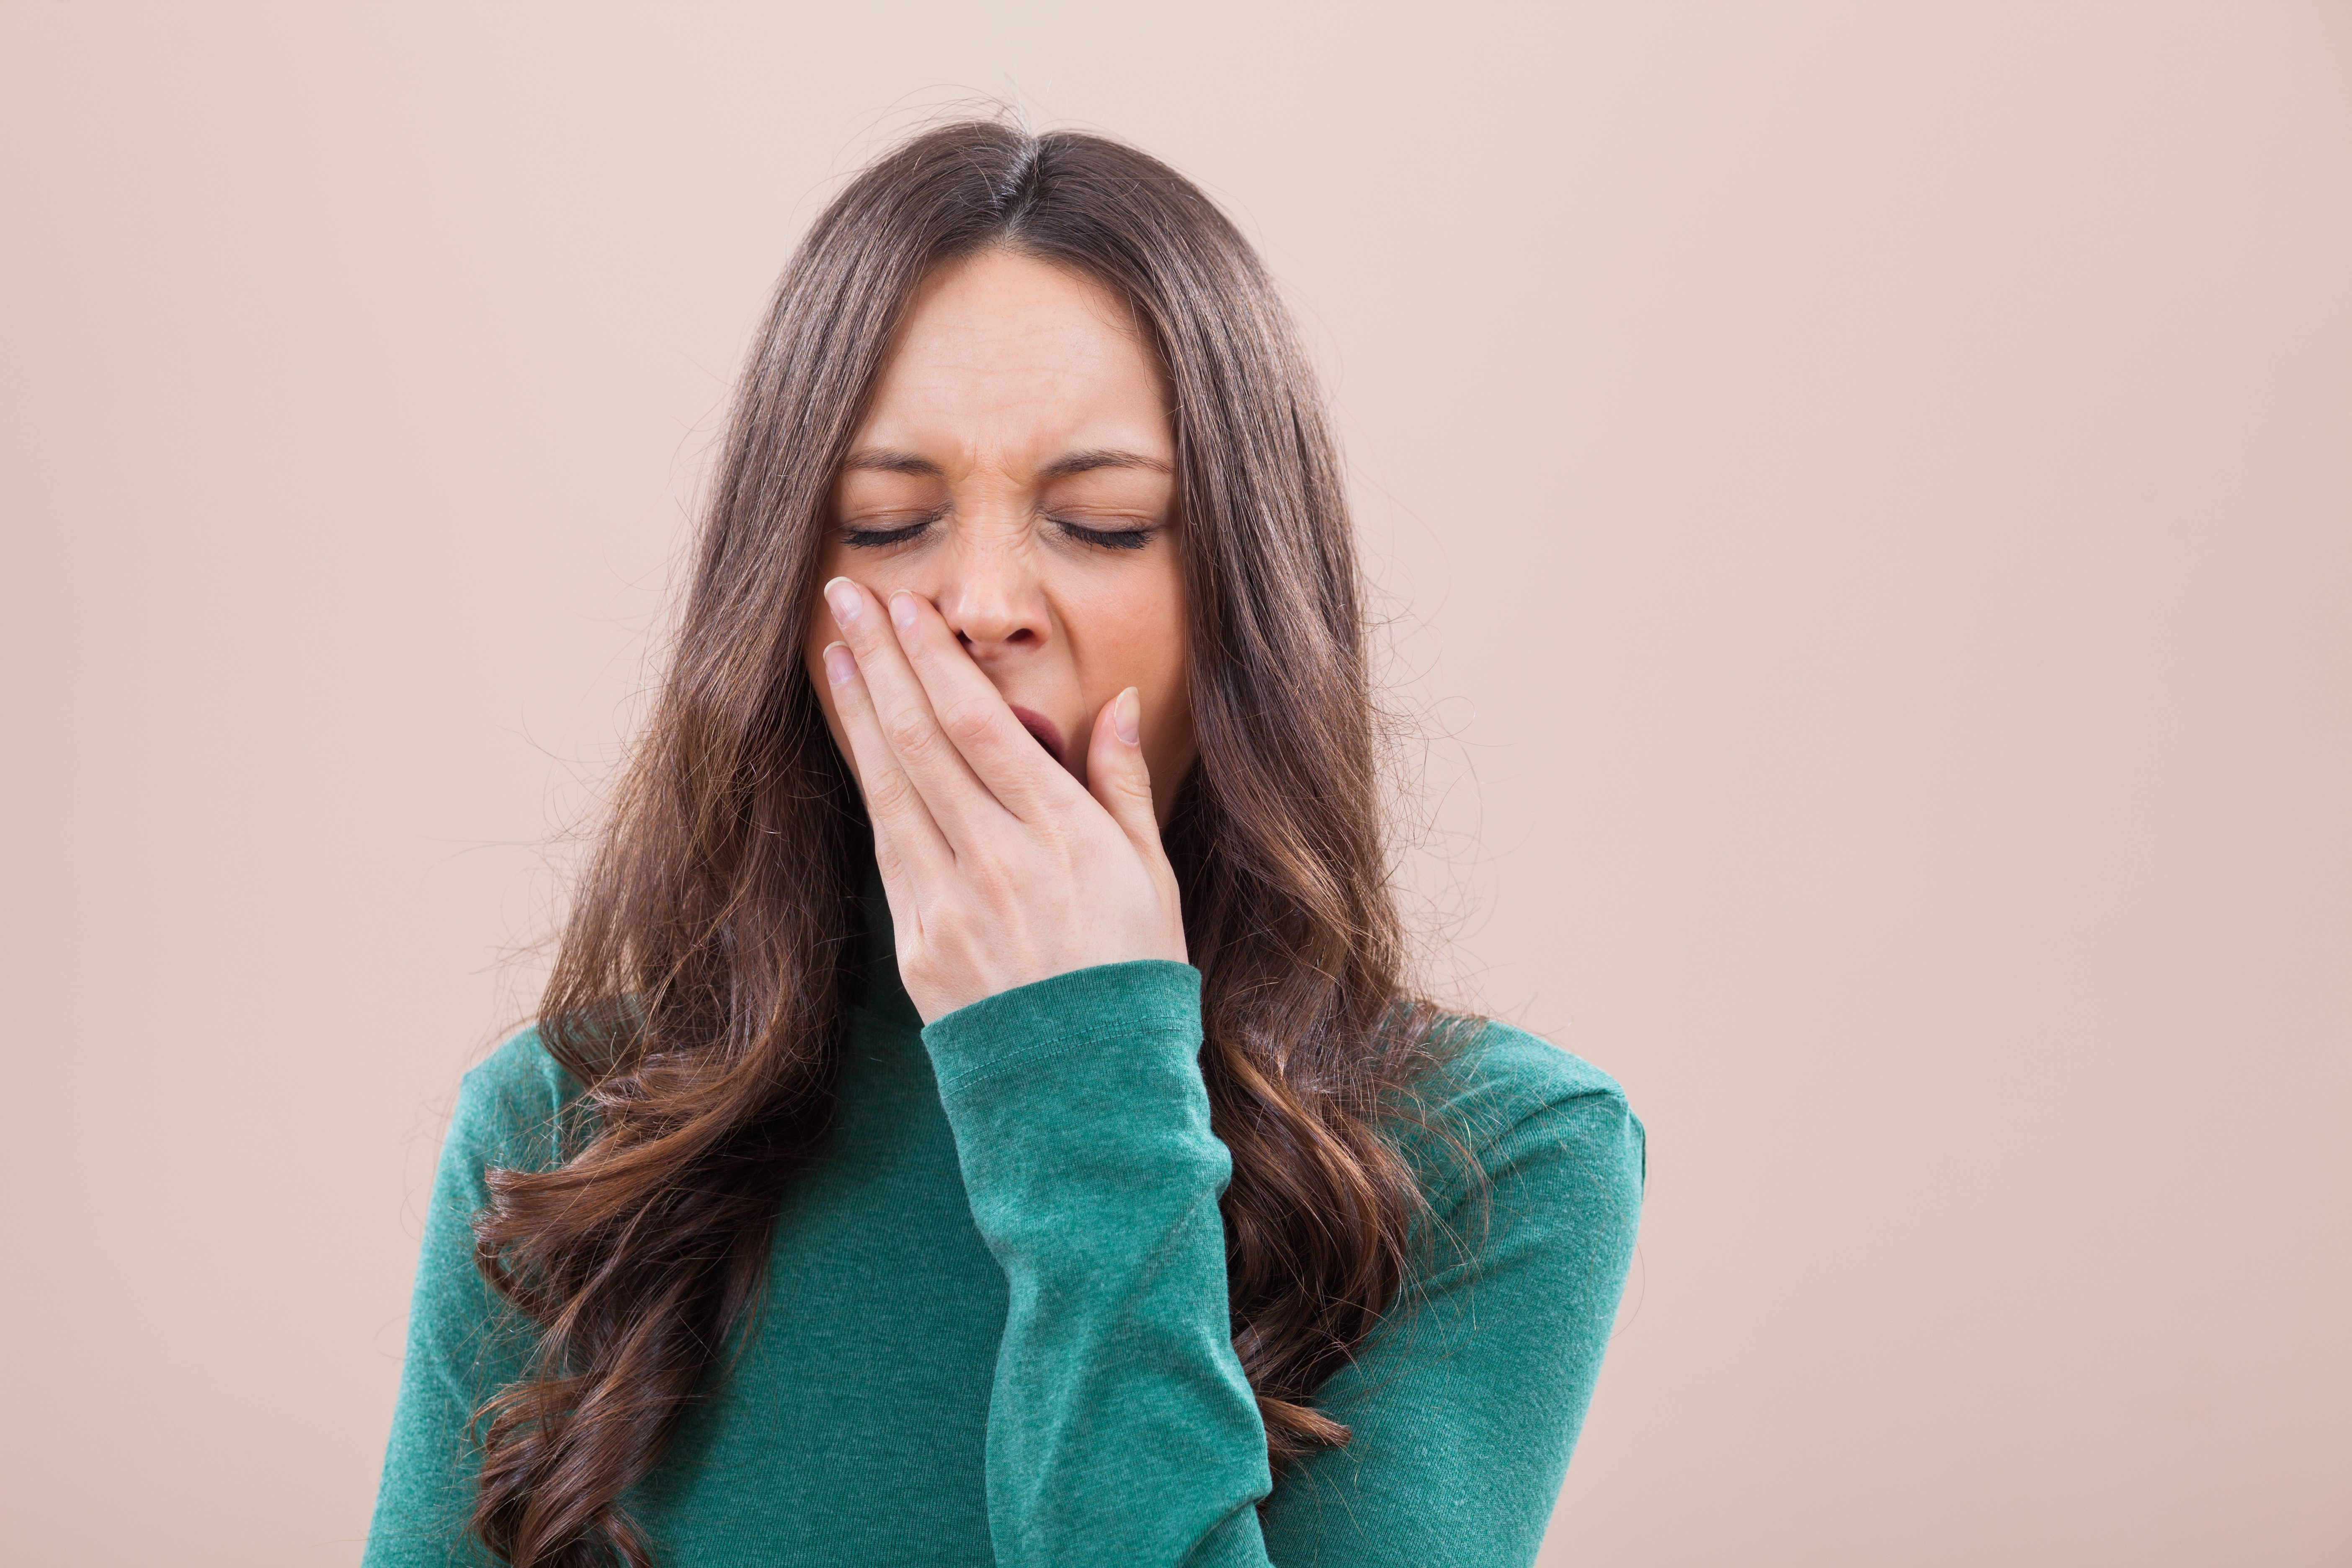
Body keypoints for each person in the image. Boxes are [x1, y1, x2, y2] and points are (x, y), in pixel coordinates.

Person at [362, 118, 1645, 1568]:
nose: (982, 605)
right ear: (783, 601)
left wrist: (1081, 1078)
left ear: (1248, 597)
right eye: (888, 522)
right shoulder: (567, 1135)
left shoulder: (1500, 1160)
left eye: (1103, 525)